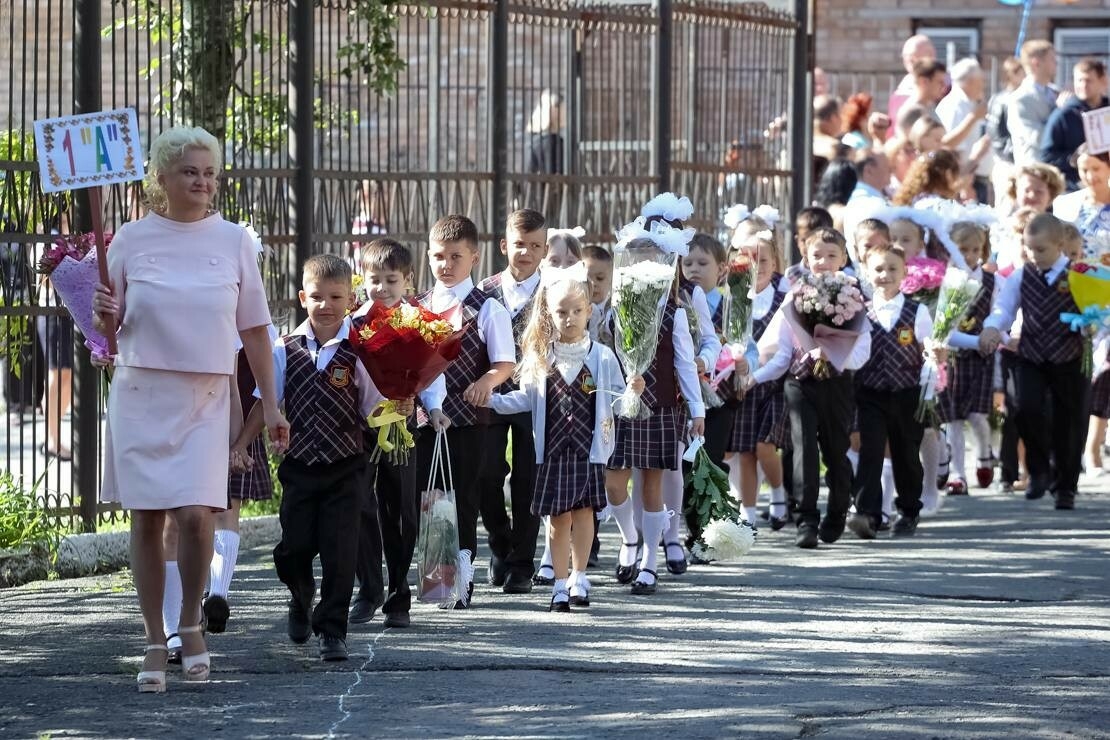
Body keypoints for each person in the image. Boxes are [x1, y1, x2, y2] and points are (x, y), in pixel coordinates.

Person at [93, 126, 288, 692]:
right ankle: (156, 637)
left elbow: (254, 328)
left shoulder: (233, 241)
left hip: (205, 395)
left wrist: (271, 405)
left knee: (198, 516)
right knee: (148, 517)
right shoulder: (128, 239)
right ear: (162, 178)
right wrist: (102, 307)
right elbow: (109, 333)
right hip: (141, 391)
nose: (203, 183)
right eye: (190, 172)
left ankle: (191, 621)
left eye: (210, 173)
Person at [239, 254, 395, 662]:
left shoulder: (361, 349)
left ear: (350, 298)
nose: (326, 305)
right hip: (300, 465)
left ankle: (332, 631)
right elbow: (265, 402)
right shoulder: (284, 347)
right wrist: (241, 444)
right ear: (301, 297)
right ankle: (301, 591)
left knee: (341, 550)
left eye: (336, 297)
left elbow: (374, 404)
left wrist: (399, 412)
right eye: (317, 296)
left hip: (347, 465)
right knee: (294, 547)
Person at [486, 265, 628, 611]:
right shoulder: (540, 358)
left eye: (577, 311)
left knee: (584, 515)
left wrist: (633, 391)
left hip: (587, 451)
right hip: (551, 452)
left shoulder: (602, 357)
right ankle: (560, 584)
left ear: (589, 312)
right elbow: (526, 399)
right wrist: (492, 400)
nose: (569, 319)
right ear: (548, 314)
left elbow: (618, 400)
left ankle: (580, 578)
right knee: (558, 518)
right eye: (561, 312)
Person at [346, 238, 450, 629]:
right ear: (363, 279)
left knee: (402, 512)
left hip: (402, 427)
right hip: (359, 427)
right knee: (358, 505)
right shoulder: (353, 322)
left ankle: (397, 595)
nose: (383, 289)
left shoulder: (420, 321)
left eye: (392, 280)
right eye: (375, 280)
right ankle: (368, 588)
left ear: (408, 279)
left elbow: (431, 370)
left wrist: (431, 408)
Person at [416, 215, 516, 608]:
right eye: (439, 256)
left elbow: (505, 362)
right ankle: (437, 579)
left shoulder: (487, 307)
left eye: (456, 256)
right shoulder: (418, 306)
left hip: (470, 417)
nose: (446, 264)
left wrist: (486, 382)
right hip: (427, 418)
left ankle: (464, 573)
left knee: (465, 496)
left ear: (474, 257)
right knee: (431, 496)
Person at [753, 228, 871, 548]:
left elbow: (862, 350)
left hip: (837, 384)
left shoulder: (854, 296)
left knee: (835, 449)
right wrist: (754, 374)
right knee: (803, 448)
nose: (823, 261)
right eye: (817, 255)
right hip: (800, 382)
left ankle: (836, 512)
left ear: (844, 259)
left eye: (832, 255)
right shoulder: (795, 294)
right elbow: (778, 348)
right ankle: (805, 519)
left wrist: (833, 355)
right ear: (806, 257)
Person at [604, 226, 705, 595]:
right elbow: (604, 356)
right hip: (620, 407)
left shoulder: (674, 312)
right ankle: (629, 538)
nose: (642, 269)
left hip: (660, 406)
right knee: (613, 482)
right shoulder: (615, 308)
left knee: (651, 484)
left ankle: (649, 561)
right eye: (634, 262)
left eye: (650, 262)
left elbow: (683, 363)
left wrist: (696, 409)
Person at [980, 214, 1087, 510]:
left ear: (1060, 245)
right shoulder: (1021, 276)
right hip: (1031, 355)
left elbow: (1099, 310)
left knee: (1068, 421)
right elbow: (1004, 308)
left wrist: (1094, 324)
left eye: (1041, 250)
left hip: (1069, 357)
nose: (1034, 255)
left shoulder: (1079, 274)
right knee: (1025, 408)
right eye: (1029, 248)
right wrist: (993, 327)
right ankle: (1039, 471)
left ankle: (1065, 485)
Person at [476, 209, 547, 594]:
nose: (526, 252)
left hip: (536, 399)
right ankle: (500, 543)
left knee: (528, 479)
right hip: (491, 395)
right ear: (505, 245)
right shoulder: (485, 291)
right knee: (485, 472)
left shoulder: (552, 293)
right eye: (519, 244)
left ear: (545, 249)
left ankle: (522, 562)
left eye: (535, 246)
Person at [847, 242, 933, 539]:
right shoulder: (861, 312)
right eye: (879, 269)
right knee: (870, 450)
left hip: (907, 392)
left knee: (906, 452)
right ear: (867, 273)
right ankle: (867, 514)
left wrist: (932, 374)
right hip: (870, 393)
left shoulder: (916, 310)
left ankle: (908, 510)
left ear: (904, 272)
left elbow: (928, 351)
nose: (885, 275)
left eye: (892, 268)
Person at [723, 229, 789, 531]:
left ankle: (778, 494)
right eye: (749, 256)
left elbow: (784, 353)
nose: (757, 263)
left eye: (764, 257)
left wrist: (756, 375)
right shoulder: (734, 295)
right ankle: (747, 515)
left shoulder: (785, 296)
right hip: (743, 383)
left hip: (775, 385)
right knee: (746, 450)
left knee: (765, 446)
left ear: (775, 261)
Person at [937, 222, 1002, 498]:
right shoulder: (942, 280)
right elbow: (941, 325)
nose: (970, 255)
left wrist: (997, 336)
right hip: (951, 357)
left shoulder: (991, 280)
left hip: (981, 357)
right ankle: (957, 474)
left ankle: (984, 453)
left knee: (977, 416)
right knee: (951, 419)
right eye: (963, 249)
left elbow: (999, 311)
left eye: (976, 249)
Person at [1040, 58, 1108, 192]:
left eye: (1088, 80)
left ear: (1102, 81)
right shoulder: (1063, 115)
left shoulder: (1107, 111)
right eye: (1079, 80)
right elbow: (1047, 157)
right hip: (1074, 187)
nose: (1083, 85)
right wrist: (1076, 158)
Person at [935, 58, 993, 204]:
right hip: (967, 179)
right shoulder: (954, 105)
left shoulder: (969, 103)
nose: (983, 85)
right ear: (971, 81)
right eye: (981, 81)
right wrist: (964, 184)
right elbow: (951, 147)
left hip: (976, 177)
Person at [1052, 146, 1110, 260]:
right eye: (1084, 170)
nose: (1090, 176)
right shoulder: (1065, 204)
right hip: (1077, 273)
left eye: (1096, 169)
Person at [1007, 40, 1059, 167]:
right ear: (1036, 63)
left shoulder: (1055, 92)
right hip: (1035, 171)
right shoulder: (1020, 99)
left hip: (1058, 170)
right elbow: (1038, 138)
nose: (1056, 63)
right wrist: (1060, 111)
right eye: (1051, 59)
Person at [842, 152, 892, 264]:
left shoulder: (870, 199)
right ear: (869, 170)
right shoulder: (863, 202)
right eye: (887, 167)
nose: (891, 170)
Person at [889, 35, 938, 127]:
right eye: (905, 56)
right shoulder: (904, 84)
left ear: (931, 55)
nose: (909, 59)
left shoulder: (945, 85)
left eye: (912, 55)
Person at [987, 57, 1025, 169]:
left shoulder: (996, 98)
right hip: (1009, 158)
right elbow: (996, 131)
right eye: (1024, 73)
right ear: (1013, 74)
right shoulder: (1007, 100)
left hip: (1006, 155)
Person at [895, 60, 948, 137]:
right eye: (940, 82)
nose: (944, 86)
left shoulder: (930, 106)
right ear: (924, 82)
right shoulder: (912, 111)